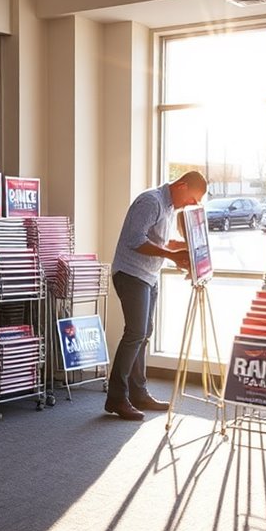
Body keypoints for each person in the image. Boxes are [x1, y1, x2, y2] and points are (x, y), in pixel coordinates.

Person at [105, 170, 208, 421]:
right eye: (193, 199)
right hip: (131, 274)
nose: (193, 205)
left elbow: (157, 238)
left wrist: (181, 248)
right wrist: (171, 255)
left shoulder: (169, 206)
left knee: (144, 334)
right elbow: (135, 239)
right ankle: (117, 397)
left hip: (148, 277)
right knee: (136, 333)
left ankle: (139, 393)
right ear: (182, 185)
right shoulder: (151, 201)